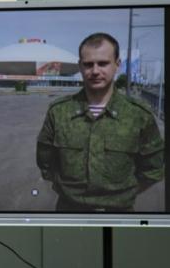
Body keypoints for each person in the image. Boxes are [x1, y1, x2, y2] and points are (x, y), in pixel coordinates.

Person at [36, 32, 163, 211]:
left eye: (103, 63)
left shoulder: (138, 115)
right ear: (80, 67)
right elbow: (46, 162)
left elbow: (154, 167)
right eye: (88, 64)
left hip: (119, 215)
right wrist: (68, 190)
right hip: (70, 212)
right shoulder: (59, 112)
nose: (95, 71)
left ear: (117, 65)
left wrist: (123, 194)